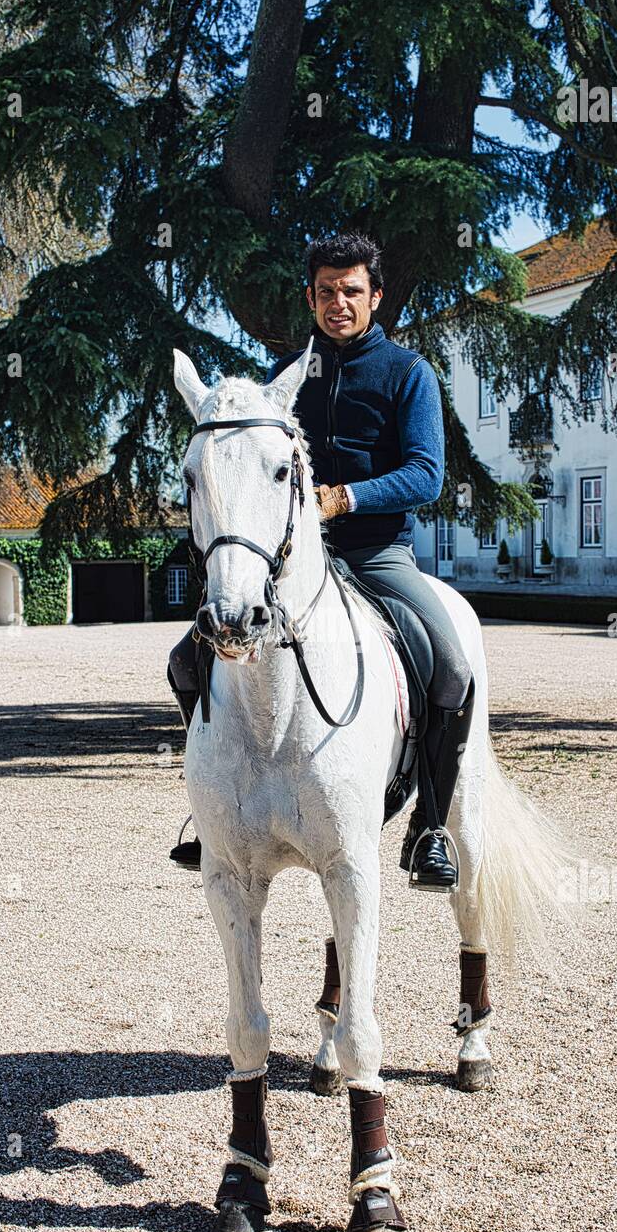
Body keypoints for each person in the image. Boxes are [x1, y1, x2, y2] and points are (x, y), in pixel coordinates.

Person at [168, 232, 473, 890]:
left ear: (376, 297)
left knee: (449, 665)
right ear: (310, 297)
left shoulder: (408, 374)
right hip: (286, 566)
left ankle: (433, 825)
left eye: (352, 291)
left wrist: (348, 497)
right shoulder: (283, 380)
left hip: (376, 553)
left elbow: (426, 474)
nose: (339, 302)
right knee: (183, 657)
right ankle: (211, 814)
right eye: (326, 291)